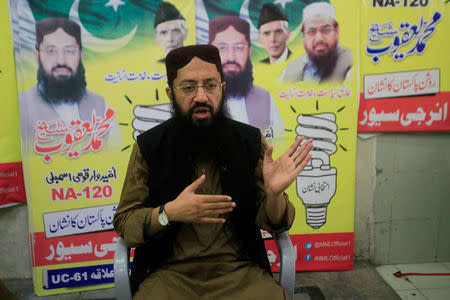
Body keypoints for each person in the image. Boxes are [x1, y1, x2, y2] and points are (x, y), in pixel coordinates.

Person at [113, 44, 313, 299]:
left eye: (210, 85)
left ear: (223, 89)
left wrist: (274, 195)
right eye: (188, 87)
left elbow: (275, 222)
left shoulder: (250, 142)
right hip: (168, 275)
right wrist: (168, 213)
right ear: (170, 93)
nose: (201, 97)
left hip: (239, 272)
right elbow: (125, 222)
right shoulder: (150, 147)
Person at [19, 18, 120, 150]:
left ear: (80, 55)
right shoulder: (21, 105)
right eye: (51, 51)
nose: (61, 60)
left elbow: (116, 151)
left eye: (69, 51)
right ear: (37, 56)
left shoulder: (100, 104)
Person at [209, 16, 284, 140]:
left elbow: (279, 146)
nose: (231, 57)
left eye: (238, 47)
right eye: (222, 48)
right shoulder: (200, 100)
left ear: (249, 51)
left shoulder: (264, 98)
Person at [279, 2, 352, 83]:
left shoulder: (352, 63)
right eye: (311, 31)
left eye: (326, 30)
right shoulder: (290, 70)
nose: (319, 39)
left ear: (336, 31)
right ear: (303, 35)